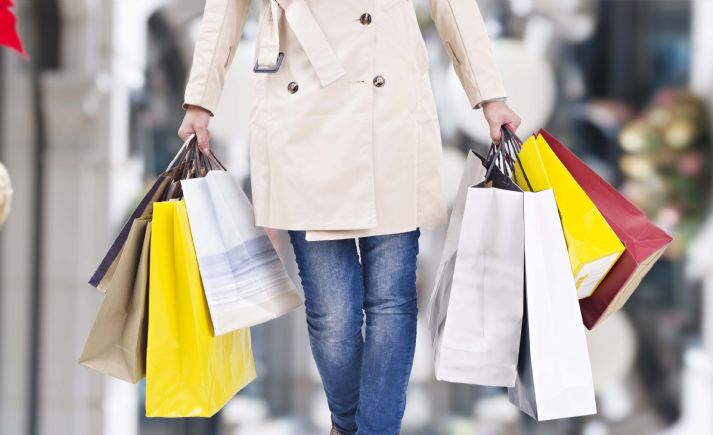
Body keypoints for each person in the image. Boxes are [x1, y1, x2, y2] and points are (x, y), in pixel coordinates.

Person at [178, 1, 520, 433]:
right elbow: (225, 9)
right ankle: (346, 423)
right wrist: (200, 102)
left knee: (392, 301)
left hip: (388, 109)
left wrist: (489, 95)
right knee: (332, 313)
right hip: (300, 110)